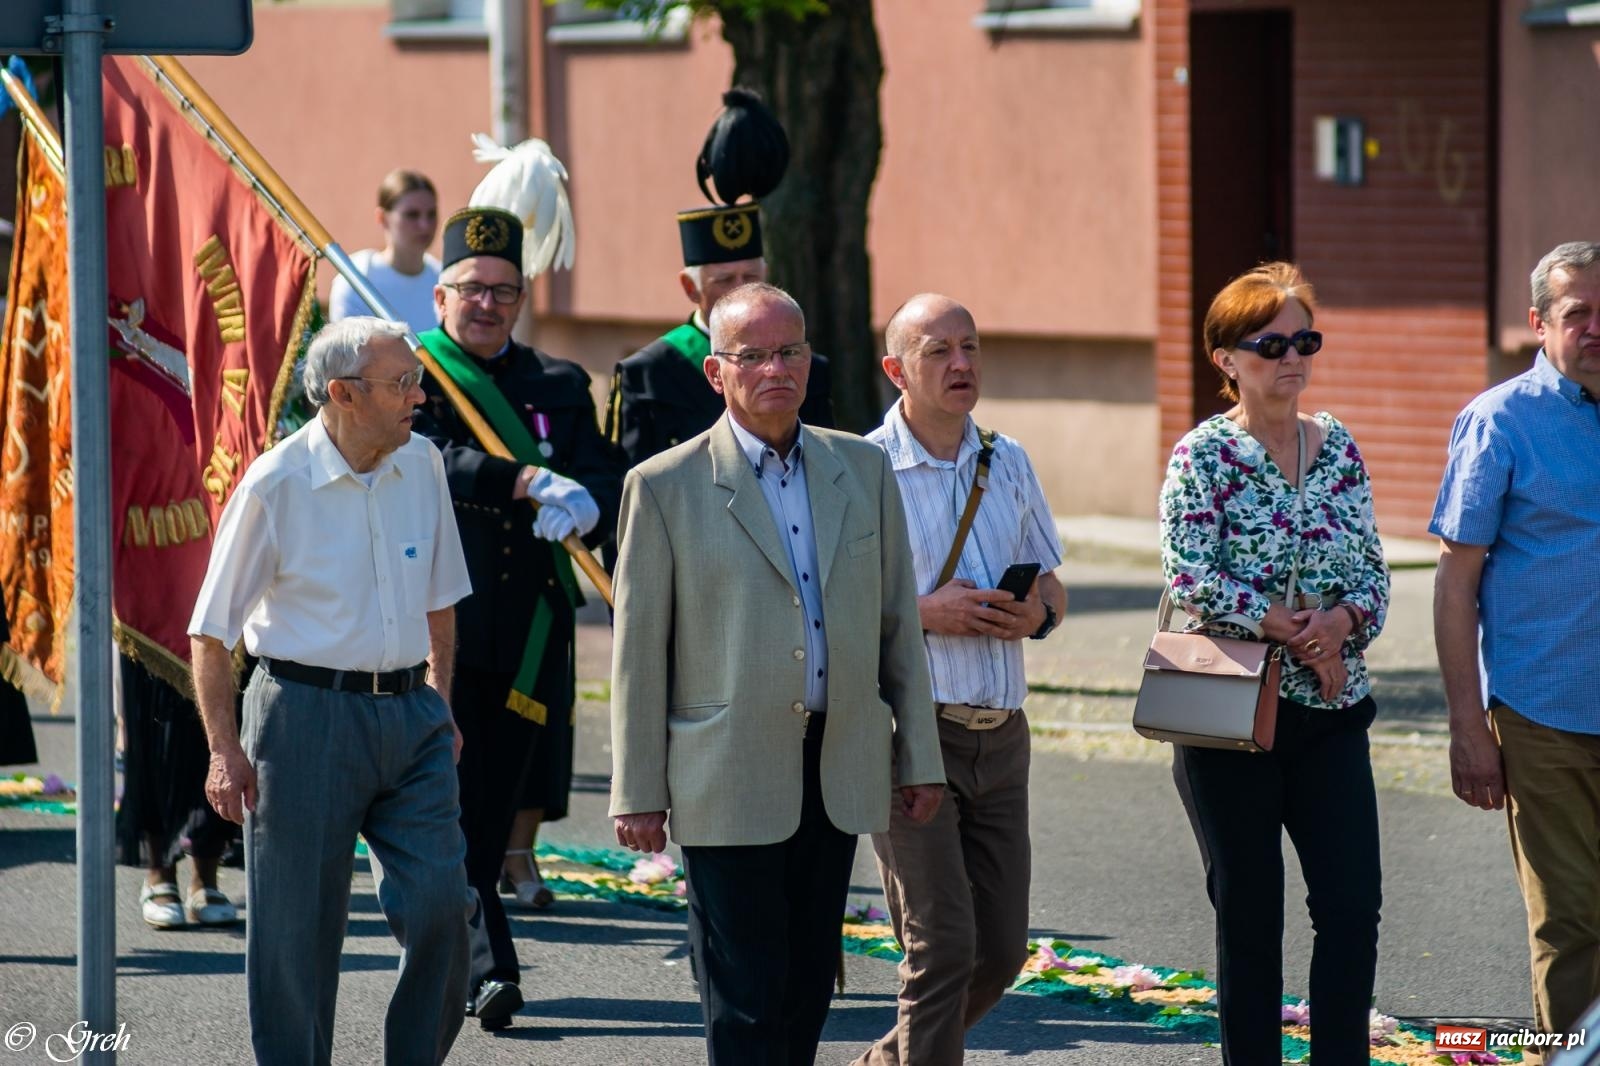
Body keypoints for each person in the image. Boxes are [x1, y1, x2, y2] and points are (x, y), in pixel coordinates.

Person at [609, 282, 945, 1066]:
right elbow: (638, 652)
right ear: (716, 373)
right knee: (744, 993)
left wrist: (918, 756)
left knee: (804, 989)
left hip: (837, 760)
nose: (775, 369)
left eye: (790, 351)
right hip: (723, 768)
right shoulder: (663, 486)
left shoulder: (860, 469)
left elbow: (899, 626)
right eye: (752, 355)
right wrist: (637, 791)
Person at [189, 316, 472, 1066]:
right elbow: (211, 633)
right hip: (303, 717)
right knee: (297, 936)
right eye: (402, 382)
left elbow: (440, 599)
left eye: (416, 378)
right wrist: (224, 752)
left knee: (445, 906)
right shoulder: (275, 482)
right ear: (343, 394)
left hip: (412, 715)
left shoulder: (426, 465)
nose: (420, 394)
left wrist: (440, 700)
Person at [1158, 262, 1390, 1064]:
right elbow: (1187, 569)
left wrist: (1340, 624)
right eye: (1271, 343)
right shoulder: (1204, 456)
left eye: (1304, 340)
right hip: (1229, 716)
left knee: (1352, 906)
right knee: (1251, 914)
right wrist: (1288, 627)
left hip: (1331, 714)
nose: (1292, 358)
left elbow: (1373, 572)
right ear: (1226, 358)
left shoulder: (1340, 448)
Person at [410, 205, 623, 1030]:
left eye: (504, 291)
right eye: (471, 289)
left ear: (524, 295)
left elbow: (608, 475)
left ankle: (454, 952)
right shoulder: (417, 378)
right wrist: (527, 483)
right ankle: (488, 968)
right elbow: (430, 458)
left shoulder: (560, 386)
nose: (487, 305)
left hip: (533, 634)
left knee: (493, 810)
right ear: (441, 297)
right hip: (445, 629)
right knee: (451, 803)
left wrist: (589, 507)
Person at [854, 294, 1065, 1066]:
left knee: (1001, 952)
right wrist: (924, 612)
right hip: (912, 732)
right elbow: (830, 612)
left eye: (970, 346)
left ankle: (883, 1063)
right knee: (941, 945)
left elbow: (1053, 589)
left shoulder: (1007, 460)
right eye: (938, 350)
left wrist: (1032, 616)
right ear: (895, 369)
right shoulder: (861, 469)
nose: (961, 364)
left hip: (1002, 735)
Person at [1431, 241, 1600, 1065]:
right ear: (1539, 323)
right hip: (1546, 716)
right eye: (1579, 314)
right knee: (1572, 924)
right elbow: (1455, 581)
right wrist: (1469, 725)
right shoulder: (1501, 420)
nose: (1596, 328)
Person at [605, 89, 833, 472]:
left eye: (751, 277)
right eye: (725, 280)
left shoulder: (809, 367)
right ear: (690, 288)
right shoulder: (647, 373)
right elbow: (627, 487)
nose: (742, 290)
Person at [115, 653, 238, 930]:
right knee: (157, 723)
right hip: (153, 616)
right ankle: (160, 872)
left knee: (219, 732)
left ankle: (206, 876)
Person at [327, 169, 441, 334]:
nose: (425, 225)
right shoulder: (356, 280)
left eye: (431, 214)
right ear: (382, 218)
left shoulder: (443, 279)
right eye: (412, 215)